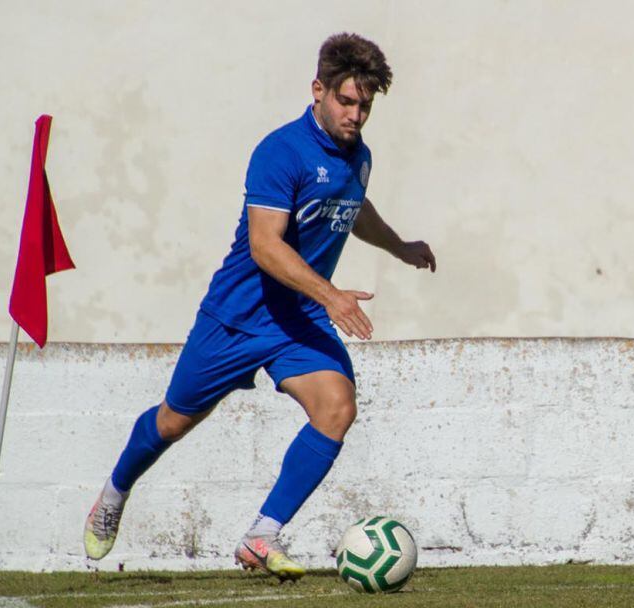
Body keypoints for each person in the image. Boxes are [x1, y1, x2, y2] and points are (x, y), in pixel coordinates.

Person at [83, 32, 436, 581]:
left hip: (298, 321)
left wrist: (399, 246)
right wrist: (332, 295)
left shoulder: (358, 157)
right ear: (317, 90)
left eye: (365, 105)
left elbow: (354, 208)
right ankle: (115, 490)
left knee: (338, 407)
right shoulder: (280, 151)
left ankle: (261, 535)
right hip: (238, 317)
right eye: (346, 101)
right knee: (173, 423)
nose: (357, 114)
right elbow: (265, 245)